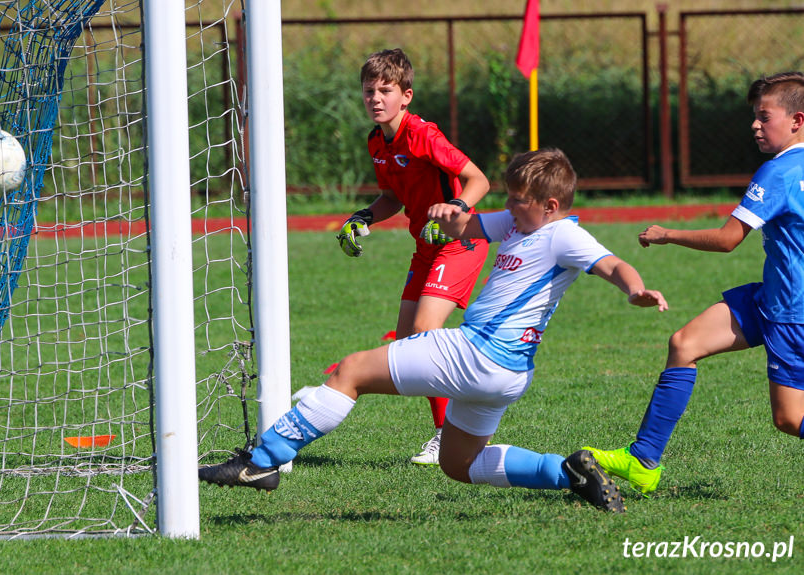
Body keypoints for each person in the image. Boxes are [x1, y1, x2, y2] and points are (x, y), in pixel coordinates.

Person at [199, 148, 669, 513]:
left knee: (350, 372)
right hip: (505, 374)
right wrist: (449, 216)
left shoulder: (564, 233)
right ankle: (568, 472)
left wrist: (635, 290)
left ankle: (260, 463)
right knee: (458, 466)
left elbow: (613, 264)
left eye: (517, 199)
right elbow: (470, 228)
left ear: (549, 205)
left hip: (477, 353)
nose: (508, 205)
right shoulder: (522, 223)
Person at [585, 71, 804, 496]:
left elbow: (727, 240)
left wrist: (667, 234)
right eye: (754, 117)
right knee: (685, 343)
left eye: (765, 117)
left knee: (789, 419)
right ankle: (643, 459)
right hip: (772, 296)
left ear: (798, 119)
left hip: (791, 309)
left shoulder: (777, 173)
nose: (755, 126)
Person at [335, 48, 491, 466]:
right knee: (408, 344)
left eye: (385, 90)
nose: (375, 99)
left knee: (424, 335)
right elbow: (392, 198)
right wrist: (361, 218)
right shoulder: (376, 142)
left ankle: (451, 433)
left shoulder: (423, 135)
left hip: (460, 243)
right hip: (426, 248)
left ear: (406, 95)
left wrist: (455, 208)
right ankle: (463, 408)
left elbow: (479, 179)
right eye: (369, 91)